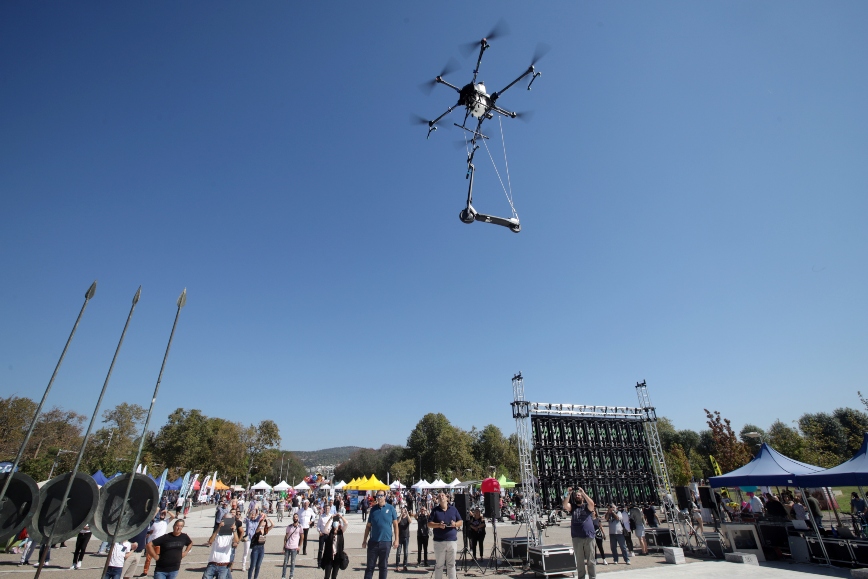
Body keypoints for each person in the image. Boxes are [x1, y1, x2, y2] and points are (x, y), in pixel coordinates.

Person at [362, 490, 398, 579]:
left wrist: (396, 539)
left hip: (386, 542)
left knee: (383, 566)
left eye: (381, 495)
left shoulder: (391, 508)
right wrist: (364, 540)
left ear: (385, 497)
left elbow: (395, 525)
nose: (379, 497)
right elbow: (368, 526)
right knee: (370, 567)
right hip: (373, 542)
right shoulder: (373, 509)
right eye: (377, 496)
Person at [562, 487, 596, 579]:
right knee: (580, 561)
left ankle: (592, 577)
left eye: (579, 495)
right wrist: (569, 494)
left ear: (582, 498)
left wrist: (583, 493)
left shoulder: (586, 506)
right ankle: (581, 577)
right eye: (576, 495)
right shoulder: (573, 507)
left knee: (591, 560)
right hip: (577, 537)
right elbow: (565, 505)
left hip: (589, 536)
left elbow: (592, 504)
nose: (577, 496)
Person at [428, 490, 462, 579]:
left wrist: (455, 524)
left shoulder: (453, 509)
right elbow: (429, 524)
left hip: (452, 541)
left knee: (451, 565)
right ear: (438, 500)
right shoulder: (435, 510)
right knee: (439, 565)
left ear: (447, 498)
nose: (441, 497)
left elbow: (460, 521)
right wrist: (438, 525)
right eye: (439, 496)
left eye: (443, 495)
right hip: (439, 542)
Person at [143, 510, 174, 575]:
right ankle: (145, 571)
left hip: (160, 543)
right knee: (148, 559)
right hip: (151, 542)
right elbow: (151, 530)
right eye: (161, 514)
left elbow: (173, 516)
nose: (162, 515)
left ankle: (158, 571)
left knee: (159, 559)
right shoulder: (155, 522)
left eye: (163, 514)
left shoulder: (166, 522)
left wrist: (167, 511)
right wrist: (157, 510)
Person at [322, 512, 348, 579]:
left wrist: (341, 517)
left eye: (337, 522)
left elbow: (346, 523)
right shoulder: (330, 532)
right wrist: (330, 518)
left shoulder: (340, 532)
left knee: (334, 576)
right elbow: (325, 528)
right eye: (334, 522)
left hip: (338, 557)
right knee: (327, 576)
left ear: (339, 524)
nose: (335, 523)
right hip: (329, 557)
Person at [242, 507, 265, 571]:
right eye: (252, 515)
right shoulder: (248, 520)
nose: (253, 516)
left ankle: (250, 566)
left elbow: (261, 516)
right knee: (246, 552)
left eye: (254, 515)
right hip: (248, 538)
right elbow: (247, 519)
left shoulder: (256, 521)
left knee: (252, 552)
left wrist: (258, 510)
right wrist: (250, 512)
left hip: (254, 539)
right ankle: (243, 565)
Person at [282, 513, 303, 579]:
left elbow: (302, 537)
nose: (295, 518)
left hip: (294, 547)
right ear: (292, 518)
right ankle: (283, 575)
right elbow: (286, 536)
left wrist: (299, 546)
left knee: (293, 562)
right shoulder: (289, 526)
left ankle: (291, 575)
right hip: (288, 546)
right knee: (285, 562)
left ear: (298, 518)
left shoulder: (300, 527)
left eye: (296, 517)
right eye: (294, 517)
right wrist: (284, 545)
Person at [317, 501, 335, 567]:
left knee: (328, 549)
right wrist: (319, 531)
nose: (327, 510)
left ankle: (327, 562)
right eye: (326, 508)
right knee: (320, 550)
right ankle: (319, 563)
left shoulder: (331, 517)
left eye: (328, 508)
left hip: (328, 535)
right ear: (324, 509)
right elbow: (318, 525)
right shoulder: (321, 516)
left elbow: (333, 525)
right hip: (322, 534)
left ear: (330, 509)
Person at [395, 506, 412, 571]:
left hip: (406, 536)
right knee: (398, 552)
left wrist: (407, 514)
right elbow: (397, 522)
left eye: (404, 510)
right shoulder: (398, 517)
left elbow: (410, 521)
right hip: (400, 537)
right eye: (402, 510)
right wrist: (401, 515)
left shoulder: (407, 517)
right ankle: (397, 565)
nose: (403, 511)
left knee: (406, 552)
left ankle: (405, 565)